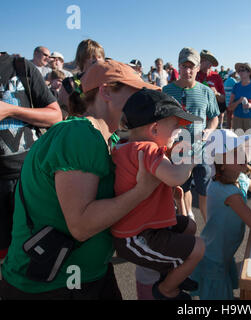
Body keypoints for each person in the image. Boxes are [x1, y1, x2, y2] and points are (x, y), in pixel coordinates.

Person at [0, 60, 161, 300]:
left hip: (87, 275)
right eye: (137, 93)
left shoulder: (107, 137)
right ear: (106, 91)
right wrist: (142, 191)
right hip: (51, 288)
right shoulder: (80, 133)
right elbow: (82, 225)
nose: (143, 100)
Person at [111, 89, 205, 300]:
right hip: (137, 237)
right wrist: (192, 158)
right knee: (198, 248)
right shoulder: (147, 148)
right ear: (154, 129)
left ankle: (172, 271)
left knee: (189, 226)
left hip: (145, 226)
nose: (179, 132)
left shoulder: (127, 146)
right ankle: (167, 289)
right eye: (175, 127)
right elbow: (174, 177)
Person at [191, 129, 251, 300]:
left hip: (222, 253)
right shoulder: (227, 192)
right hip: (215, 259)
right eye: (234, 153)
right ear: (221, 163)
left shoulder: (238, 178)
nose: (242, 155)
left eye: (241, 150)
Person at [0, 52, 62, 268]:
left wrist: (10, 110)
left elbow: (55, 116)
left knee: (35, 252)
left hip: (27, 177)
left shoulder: (19, 67)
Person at [163, 47, 220, 223]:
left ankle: (209, 224)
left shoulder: (206, 92)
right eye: (183, 66)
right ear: (178, 67)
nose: (187, 70)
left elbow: (214, 117)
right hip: (177, 151)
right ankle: (189, 218)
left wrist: (210, 129)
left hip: (200, 150)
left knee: (204, 190)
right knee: (183, 189)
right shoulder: (166, 90)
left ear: (198, 68)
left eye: (191, 66)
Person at [58, 39, 106, 117]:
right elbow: (62, 112)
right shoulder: (71, 83)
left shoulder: (108, 81)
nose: (97, 60)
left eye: (100, 57)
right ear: (82, 58)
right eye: (92, 57)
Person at [196, 50, 226, 129]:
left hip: (211, 118)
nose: (199, 62)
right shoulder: (195, 74)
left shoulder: (216, 77)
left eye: (202, 60)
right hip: (196, 115)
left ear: (210, 63)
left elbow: (223, 99)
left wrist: (216, 93)